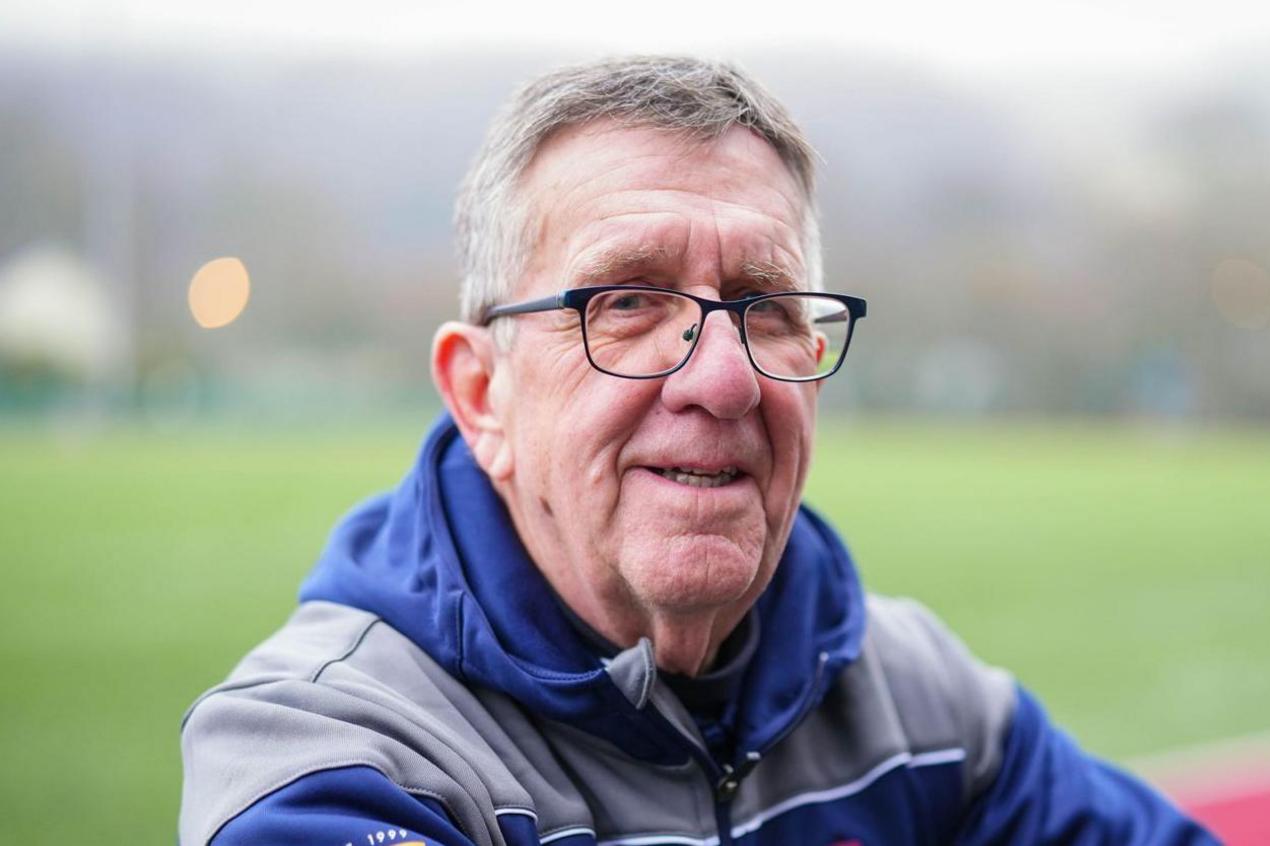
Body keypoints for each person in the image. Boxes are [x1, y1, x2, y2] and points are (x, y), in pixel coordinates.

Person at [179, 56, 1216, 846]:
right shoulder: (335, 758)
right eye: (625, 301)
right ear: (482, 395)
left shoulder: (916, 701)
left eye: (765, 308)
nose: (720, 378)